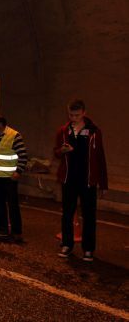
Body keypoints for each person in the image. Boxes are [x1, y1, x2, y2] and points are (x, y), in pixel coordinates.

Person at [54, 99, 107, 262]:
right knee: (67, 213)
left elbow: (100, 157)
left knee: (89, 215)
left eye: (77, 115)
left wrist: (103, 184)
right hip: (69, 178)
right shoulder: (64, 130)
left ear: (84, 113)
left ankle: (88, 249)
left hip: (87, 180)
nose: (74, 118)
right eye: (71, 115)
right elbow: (56, 152)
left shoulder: (94, 131)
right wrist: (62, 150)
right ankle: (67, 245)